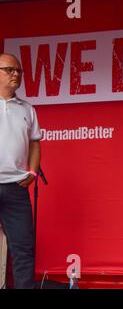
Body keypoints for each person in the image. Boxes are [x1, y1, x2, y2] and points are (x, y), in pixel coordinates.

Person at [0, 53, 41, 289]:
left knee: (24, 249)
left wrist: (33, 172)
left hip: (16, 189)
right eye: (9, 70)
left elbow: (35, 141)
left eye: (19, 71)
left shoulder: (27, 109)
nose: (16, 74)